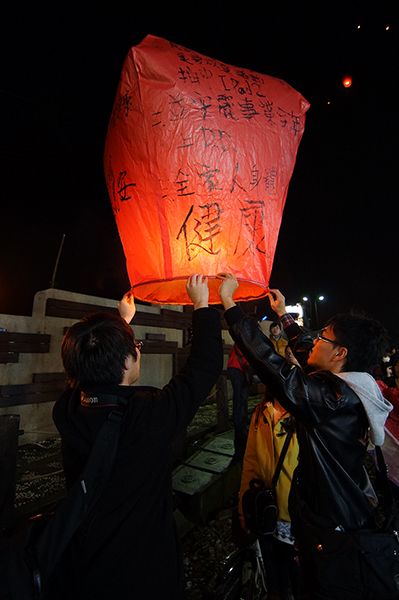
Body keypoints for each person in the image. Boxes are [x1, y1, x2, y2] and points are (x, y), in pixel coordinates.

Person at [217, 273, 394, 599]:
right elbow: (304, 351)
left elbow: (274, 367)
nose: (313, 341)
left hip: (332, 529)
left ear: (340, 354)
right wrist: (283, 314)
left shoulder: (333, 399)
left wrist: (231, 308)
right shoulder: (353, 386)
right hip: (335, 518)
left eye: (322, 337)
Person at [51, 274, 223, 600]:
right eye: (136, 348)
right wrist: (202, 304)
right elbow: (204, 367)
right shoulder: (147, 415)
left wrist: (121, 324)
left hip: (83, 561)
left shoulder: (70, 409)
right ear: (127, 361)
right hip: (142, 567)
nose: (138, 353)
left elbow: (90, 361)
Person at [238, 344, 300, 600]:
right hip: (267, 517)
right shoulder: (261, 414)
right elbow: (250, 463)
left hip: (301, 522)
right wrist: (244, 510)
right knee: (275, 583)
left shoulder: (309, 419)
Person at [227, 343, 252, 460]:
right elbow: (244, 353)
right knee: (239, 396)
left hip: (237, 368)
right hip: (237, 368)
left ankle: (241, 419)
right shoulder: (244, 337)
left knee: (242, 396)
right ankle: (238, 420)